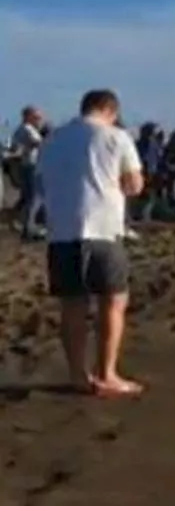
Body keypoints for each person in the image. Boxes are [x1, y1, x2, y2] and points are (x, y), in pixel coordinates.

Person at [36, 89, 145, 397]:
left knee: (72, 304)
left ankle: (77, 375)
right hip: (103, 229)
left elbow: (42, 182)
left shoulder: (53, 139)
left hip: (62, 231)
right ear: (110, 111)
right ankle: (106, 373)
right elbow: (134, 184)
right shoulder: (116, 136)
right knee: (113, 300)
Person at [11, 106, 45, 239]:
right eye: (37, 117)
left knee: (27, 197)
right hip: (31, 165)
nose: (39, 120)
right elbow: (38, 143)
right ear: (28, 117)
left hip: (27, 165)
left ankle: (19, 221)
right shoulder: (27, 129)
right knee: (36, 197)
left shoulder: (22, 129)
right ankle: (29, 227)